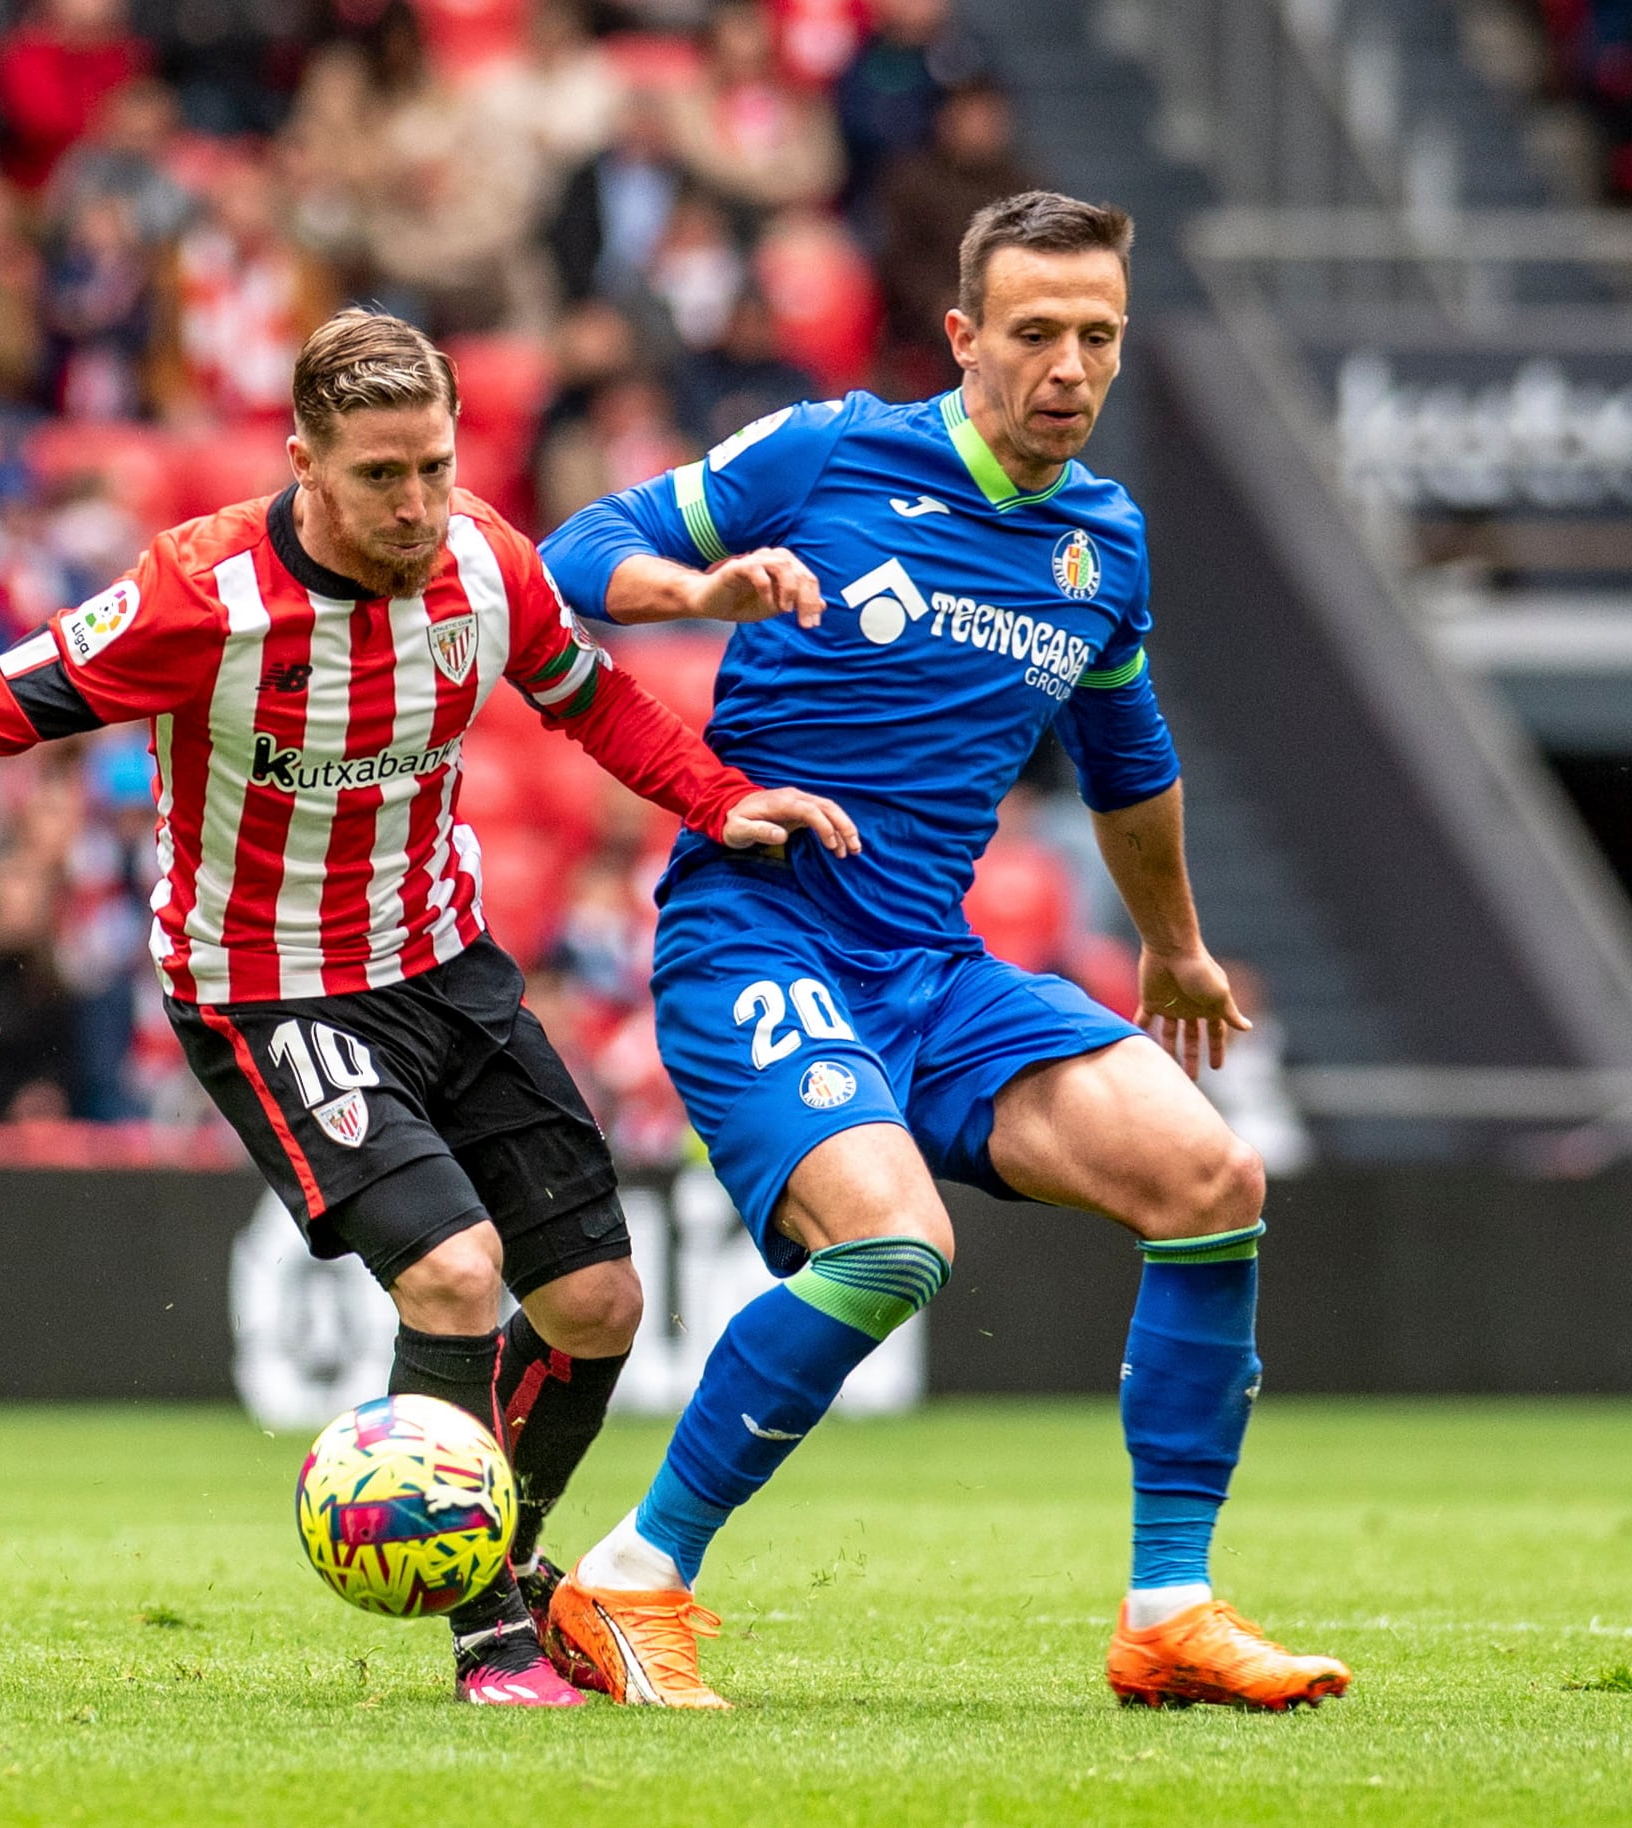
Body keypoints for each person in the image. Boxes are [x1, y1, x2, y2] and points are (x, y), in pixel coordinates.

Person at [0, 308, 857, 1706]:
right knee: (449, 1273)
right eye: (382, 476)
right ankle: (489, 1638)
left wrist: (721, 800)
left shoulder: (486, 562)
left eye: (434, 465)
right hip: (272, 988)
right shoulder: (200, 597)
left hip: (448, 964)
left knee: (598, 1303)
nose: (420, 504)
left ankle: (507, 1562)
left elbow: (588, 699)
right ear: (300, 457)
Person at [536, 191, 1352, 1711]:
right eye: (1034, 332)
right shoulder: (828, 452)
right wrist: (700, 591)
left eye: (1096, 336)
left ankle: (1167, 1608)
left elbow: (1129, 756)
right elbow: (575, 554)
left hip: (931, 967)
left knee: (1209, 1181)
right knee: (892, 1246)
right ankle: (628, 1579)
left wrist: (1171, 946)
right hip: (757, 929)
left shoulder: (1099, 543)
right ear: (964, 338)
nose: (1067, 366)